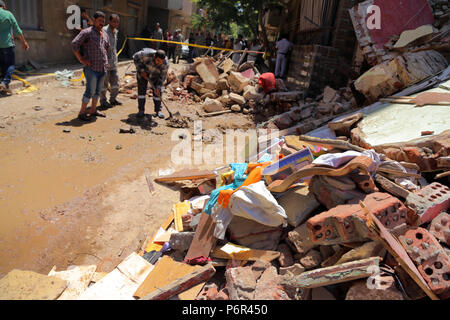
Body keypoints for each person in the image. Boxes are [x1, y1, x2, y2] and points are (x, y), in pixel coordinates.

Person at [72, 11, 110, 121]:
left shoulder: (105, 33)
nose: (102, 23)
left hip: (102, 68)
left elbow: (106, 47)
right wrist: (82, 59)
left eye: (103, 21)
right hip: (91, 69)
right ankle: (82, 113)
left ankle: (93, 110)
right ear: (94, 20)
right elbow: (74, 44)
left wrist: (105, 60)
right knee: (89, 91)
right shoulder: (87, 32)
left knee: (98, 91)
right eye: (99, 21)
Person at [0, 0, 30, 95]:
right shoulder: (8, 14)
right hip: (7, 44)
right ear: (3, 6)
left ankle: (4, 88)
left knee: (3, 66)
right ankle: (4, 83)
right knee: (10, 65)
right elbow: (17, 29)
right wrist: (24, 42)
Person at [133, 49, 168, 119]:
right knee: (141, 92)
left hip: (156, 75)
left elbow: (162, 77)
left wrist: (158, 87)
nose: (159, 63)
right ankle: (141, 110)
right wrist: (141, 70)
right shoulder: (145, 54)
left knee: (158, 93)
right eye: (158, 61)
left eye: (161, 62)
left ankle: (158, 111)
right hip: (143, 73)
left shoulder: (165, 64)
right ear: (154, 57)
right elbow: (135, 57)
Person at [100, 14, 121, 109]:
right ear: (109, 21)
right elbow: (101, 47)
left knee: (116, 82)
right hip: (105, 62)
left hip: (113, 62)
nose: (116, 23)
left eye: (117, 21)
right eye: (114, 21)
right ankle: (103, 101)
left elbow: (114, 48)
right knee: (104, 84)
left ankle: (113, 99)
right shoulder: (104, 31)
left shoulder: (115, 32)